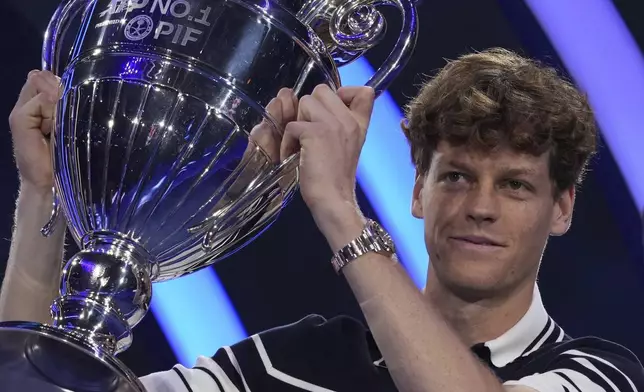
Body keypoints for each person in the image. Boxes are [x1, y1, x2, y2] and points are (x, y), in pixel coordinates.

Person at [2, 48, 644, 392]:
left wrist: (339, 209)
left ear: (562, 208)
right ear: (418, 190)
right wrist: (47, 193)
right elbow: (41, 389)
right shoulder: (291, 362)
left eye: (514, 185)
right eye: (455, 176)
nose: (479, 205)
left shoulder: (597, 374)